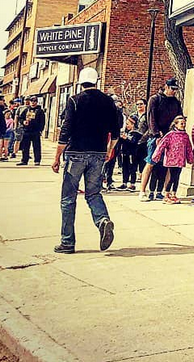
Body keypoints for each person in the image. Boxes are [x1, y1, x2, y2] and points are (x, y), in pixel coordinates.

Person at [51, 67, 118, 254]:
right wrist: (108, 150)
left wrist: (57, 157)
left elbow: (65, 131)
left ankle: (67, 242)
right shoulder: (108, 102)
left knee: (68, 198)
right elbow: (116, 132)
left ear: (81, 83)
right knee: (94, 194)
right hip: (98, 154)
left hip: (76, 154)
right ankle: (103, 220)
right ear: (96, 81)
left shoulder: (74, 100)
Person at [139, 78, 182, 200]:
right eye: (172, 89)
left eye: (176, 89)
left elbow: (178, 118)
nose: (174, 91)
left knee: (169, 164)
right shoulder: (155, 99)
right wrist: (157, 134)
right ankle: (142, 191)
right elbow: (151, 118)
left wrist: (176, 134)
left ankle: (165, 191)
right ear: (166, 87)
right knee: (151, 162)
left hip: (171, 137)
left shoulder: (176, 103)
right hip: (156, 136)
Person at [151, 115, 193, 204]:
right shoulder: (170, 135)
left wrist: (190, 159)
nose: (183, 125)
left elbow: (188, 148)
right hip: (171, 160)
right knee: (171, 177)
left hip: (180, 160)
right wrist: (156, 156)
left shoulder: (185, 136)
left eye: (184, 123)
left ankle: (174, 194)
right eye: (181, 123)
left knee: (177, 177)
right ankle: (167, 194)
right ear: (176, 125)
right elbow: (161, 145)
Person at [17, 95, 46, 166]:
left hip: (35, 131)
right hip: (26, 130)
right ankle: (24, 160)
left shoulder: (40, 111)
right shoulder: (26, 110)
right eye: (31, 101)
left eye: (34, 101)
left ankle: (37, 160)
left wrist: (40, 130)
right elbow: (20, 118)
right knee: (25, 147)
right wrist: (23, 122)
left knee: (36, 146)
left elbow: (42, 122)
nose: (33, 103)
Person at [116, 115, 141, 191]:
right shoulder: (127, 132)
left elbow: (133, 142)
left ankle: (132, 183)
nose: (127, 126)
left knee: (132, 168)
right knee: (125, 168)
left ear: (133, 124)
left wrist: (126, 138)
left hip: (132, 154)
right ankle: (124, 182)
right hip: (125, 153)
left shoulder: (136, 133)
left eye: (128, 124)